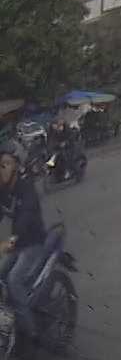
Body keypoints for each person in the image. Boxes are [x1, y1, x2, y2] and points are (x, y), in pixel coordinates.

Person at [0, 141, 47, 339]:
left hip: (33, 243)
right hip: (18, 245)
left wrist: (11, 239)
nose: (2, 169)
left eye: (6, 164)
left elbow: (26, 216)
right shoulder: (3, 191)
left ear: (17, 166)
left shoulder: (26, 188)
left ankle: (31, 331)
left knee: (14, 280)